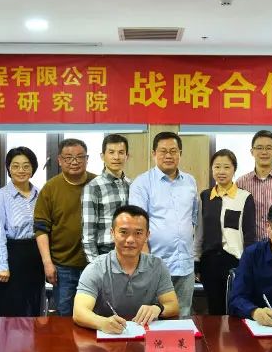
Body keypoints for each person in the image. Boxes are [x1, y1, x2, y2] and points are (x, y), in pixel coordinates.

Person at [73, 205, 179, 333]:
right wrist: (102, 323)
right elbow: (79, 312)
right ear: (112, 233)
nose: (130, 240)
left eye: (138, 233)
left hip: (145, 336)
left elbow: (173, 306)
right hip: (107, 337)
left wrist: (158, 308)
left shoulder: (158, 266)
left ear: (147, 236)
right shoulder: (96, 268)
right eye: (123, 232)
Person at [129, 131, 198, 318]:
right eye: (163, 151)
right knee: (153, 316)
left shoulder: (190, 182)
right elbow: (137, 225)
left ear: (180, 153)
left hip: (185, 264)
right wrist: (146, 262)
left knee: (183, 314)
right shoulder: (142, 183)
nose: (168, 155)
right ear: (154, 153)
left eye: (173, 151)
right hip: (156, 264)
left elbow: (193, 218)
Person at [35, 138, 97, 316]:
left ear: (87, 159)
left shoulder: (98, 184)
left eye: (80, 157)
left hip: (94, 264)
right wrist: (48, 263)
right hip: (63, 267)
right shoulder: (50, 188)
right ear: (59, 160)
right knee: (65, 314)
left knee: (95, 314)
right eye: (68, 157)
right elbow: (40, 229)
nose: (74, 162)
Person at [194, 149, 255, 315]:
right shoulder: (205, 196)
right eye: (217, 167)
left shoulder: (244, 197)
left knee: (234, 308)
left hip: (234, 261)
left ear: (234, 170)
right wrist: (196, 260)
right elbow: (199, 232)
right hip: (209, 262)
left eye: (226, 167)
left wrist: (248, 264)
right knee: (214, 309)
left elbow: (249, 235)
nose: (221, 171)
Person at [0, 147, 45, 317]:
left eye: (26, 166)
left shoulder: (41, 194)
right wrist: (2, 266)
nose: (21, 170)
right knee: (12, 310)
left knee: (34, 309)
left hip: (36, 256)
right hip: (13, 256)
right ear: (8, 169)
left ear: (33, 168)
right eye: (15, 166)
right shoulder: (1, 196)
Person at [81, 134, 131, 262]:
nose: (116, 157)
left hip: (130, 247)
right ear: (102, 156)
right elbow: (88, 232)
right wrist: (94, 264)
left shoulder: (131, 185)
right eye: (111, 152)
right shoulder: (93, 187)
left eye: (121, 152)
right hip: (105, 249)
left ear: (127, 156)